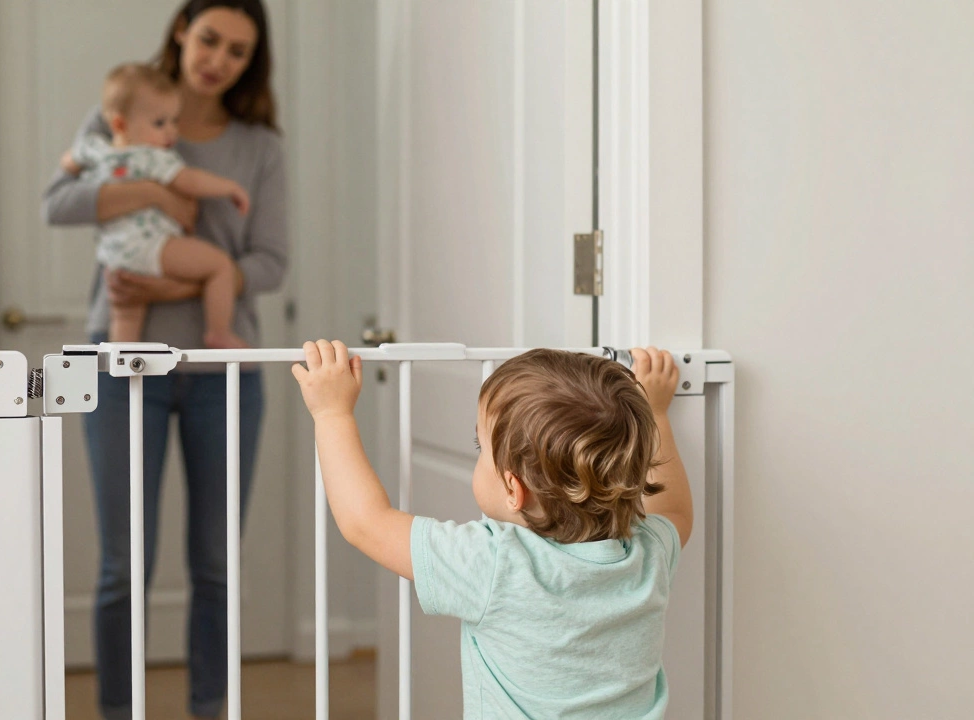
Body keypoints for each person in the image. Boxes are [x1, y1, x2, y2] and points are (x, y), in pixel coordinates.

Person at [41, 1, 286, 717]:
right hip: (120, 372)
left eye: (238, 51)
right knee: (122, 568)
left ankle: (210, 708)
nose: (219, 59)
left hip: (222, 376)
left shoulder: (258, 147)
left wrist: (175, 284)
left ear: (251, 62)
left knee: (214, 567)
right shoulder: (117, 117)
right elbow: (57, 202)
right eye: (209, 38)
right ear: (182, 31)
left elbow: (271, 263)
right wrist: (151, 188)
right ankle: (120, 710)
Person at [292, 341, 693, 719]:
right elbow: (675, 509)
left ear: (513, 490)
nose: (478, 453)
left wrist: (332, 414)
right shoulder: (647, 552)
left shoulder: (496, 563)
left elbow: (367, 524)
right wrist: (655, 412)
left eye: (480, 446)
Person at [65, 63, 252, 348]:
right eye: (160, 123)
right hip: (151, 244)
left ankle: (123, 364)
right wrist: (229, 187)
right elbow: (190, 181)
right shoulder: (152, 158)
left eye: (173, 121)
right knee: (220, 266)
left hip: (114, 253)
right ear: (119, 124)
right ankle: (218, 331)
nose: (171, 132)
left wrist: (84, 165)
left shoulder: (96, 150)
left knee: (126, 316)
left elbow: (69, 162)